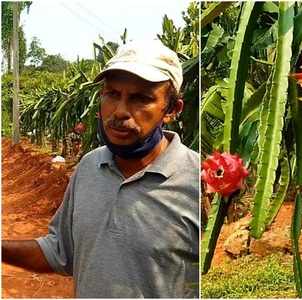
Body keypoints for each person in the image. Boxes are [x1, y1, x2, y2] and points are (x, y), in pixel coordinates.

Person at [2, 40, 199, 298]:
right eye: (112, 94)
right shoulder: (89, 167)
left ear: (172, 109)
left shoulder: (197, 180)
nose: (120, 111)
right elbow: (60, 251)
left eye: (141, 99)